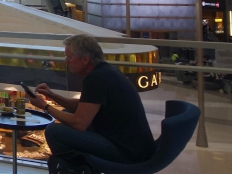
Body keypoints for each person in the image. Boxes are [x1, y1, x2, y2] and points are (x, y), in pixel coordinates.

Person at [27, 34, 155, 164]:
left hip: (126, 151)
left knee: (54, 131)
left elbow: (79, 123)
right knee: (66, 113)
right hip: (136, 147)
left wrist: (45, 106)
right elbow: (83, 106)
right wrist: (52, 95)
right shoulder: (106, 71)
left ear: (85, 59)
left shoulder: (96, 79)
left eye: (70, 57)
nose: (67, 61)